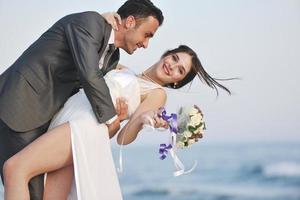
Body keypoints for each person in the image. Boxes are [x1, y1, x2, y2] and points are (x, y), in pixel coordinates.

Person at [2, 44, 232, 199]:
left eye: (179, 70)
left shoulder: (157, 93)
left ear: (176, 82)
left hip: (80, 130)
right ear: (166, 54)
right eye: (174, 58)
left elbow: (122, 137)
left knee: (15, 169)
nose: (172, 66)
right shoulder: (123, 69)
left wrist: (141, 119)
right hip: (64, 122)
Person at [0, 0, 164, 199]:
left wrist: (121, 119)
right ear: (130, 22)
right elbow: (89, 74)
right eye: (147, 35)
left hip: (47, 117)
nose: (146, 44)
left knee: (35, 189)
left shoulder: (113, 58)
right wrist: (111, 120)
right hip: (22, 103)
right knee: (19, 175)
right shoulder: (90, 22)